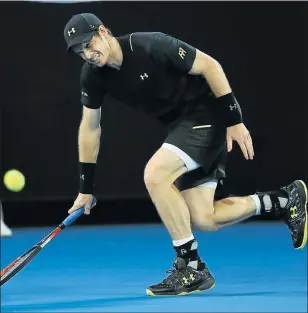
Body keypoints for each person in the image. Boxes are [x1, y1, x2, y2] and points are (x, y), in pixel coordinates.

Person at [63, 13, 307, 296]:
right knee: (204, 218)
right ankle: (284, 199)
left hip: (206, 116)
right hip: (182, 127)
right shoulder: (92, 76)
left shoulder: (151, 45)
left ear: (103, 32)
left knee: (156, 174)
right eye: (79, 51)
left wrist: (234, 119)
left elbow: (209, 66)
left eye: (88, 44)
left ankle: (191, 267)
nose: (87, 54)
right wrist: (85, 188)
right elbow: (90, 128)